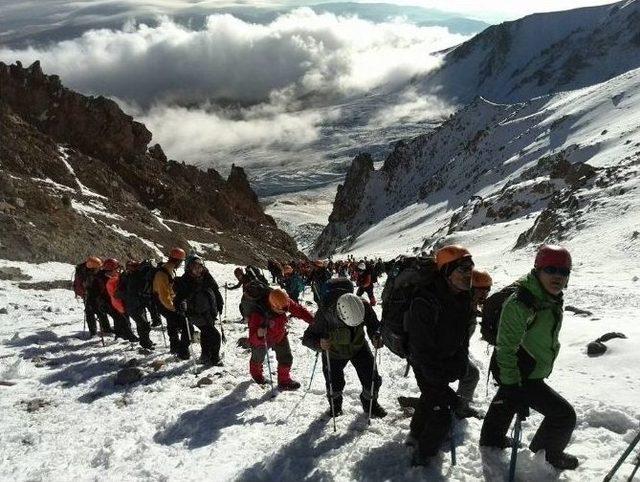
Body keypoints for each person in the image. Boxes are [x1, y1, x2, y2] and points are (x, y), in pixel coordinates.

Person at [480, 245, 578, 471]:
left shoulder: (547, 297)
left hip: (522, 368)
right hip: (519, 371)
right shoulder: (522, 303)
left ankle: (490, 440)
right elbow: (506, 348)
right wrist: (513, 385)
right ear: (538, 270)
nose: (557, 276)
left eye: (563, 272)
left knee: (506, 401)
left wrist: (510, 389)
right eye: (551, 269)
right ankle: (545, 458)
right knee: (563, 416)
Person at [406, 245, 474, 467]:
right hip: (424, 362)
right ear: (446, 272)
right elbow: (421, 347)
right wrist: (439, 383)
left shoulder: (463, 297)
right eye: (462, 269)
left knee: (430, 398)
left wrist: (460, 362)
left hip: (444, 360)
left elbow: (463, 335)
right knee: (442, 411)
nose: (468, 274)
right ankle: (423, 457)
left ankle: (415, 434)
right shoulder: (424, 301)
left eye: (470, 268)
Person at [303, 278, 386, 418]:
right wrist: (319, 344)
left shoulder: (362, 305)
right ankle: (335, 405)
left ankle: (370, 403)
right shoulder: (325, 312)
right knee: (334, 384)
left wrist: (376, 336)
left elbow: (374, 324)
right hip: (334, 353)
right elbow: (307, 338)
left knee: (372, 379)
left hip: (359, 347)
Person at [248, 288, 314, 390]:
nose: (285, 312)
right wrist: (259, 334)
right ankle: (257, 376)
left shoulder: (283, 301)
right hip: (263, 339)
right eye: (282, 310)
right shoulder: (258, 313)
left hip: (280, 334)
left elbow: (299, 310)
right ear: (273, 306)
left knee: (286, 357)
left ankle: (284, 381)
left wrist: (313, 321)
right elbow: (252, 338)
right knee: (258, 359)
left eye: (286, 309)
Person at [455, 268, 493, 419]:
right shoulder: (460, 307)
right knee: (472, 374)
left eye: (487, 289)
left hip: (451, 351)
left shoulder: (469, 305)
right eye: (481, 289)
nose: (484, 293)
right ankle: (460, 407)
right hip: (444, 352)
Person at [175, 256, 225, 366]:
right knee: (215, 336)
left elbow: (215, 290)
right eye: (194, 267)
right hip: (196, 314)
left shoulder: (206, 276)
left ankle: (205, 355)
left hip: (209, 311)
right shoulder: (185, 281)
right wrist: (181, 306)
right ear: (188, 268)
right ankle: (215, 358)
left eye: (200, 267)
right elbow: (178, 299)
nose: (198, 269)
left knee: (206, 334)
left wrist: (220, 304)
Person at [153, 247, 190, 359]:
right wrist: (175, 308)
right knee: (187, 326)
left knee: (172, 323)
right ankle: (183, 351)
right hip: (164, 304)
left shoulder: (169, 269)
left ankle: (174, 346)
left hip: (164, 303)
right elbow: (164, 296)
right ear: (178, 261)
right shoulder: (162, 273)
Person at [93, 258, 138, 342]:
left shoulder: (102, 277)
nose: (118, 270)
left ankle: (120, 334)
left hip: (108, 302)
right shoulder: (104, 279)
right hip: (107, 302)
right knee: (122, 319)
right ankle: (129, 335)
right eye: (116, 268)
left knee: (120, 318)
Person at [118, 260, 155, 350]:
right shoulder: (130, 277)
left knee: (141, 324)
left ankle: (146, 342)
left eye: (134, 266)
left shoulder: (129, 276)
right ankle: (145, 343)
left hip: (136, 305)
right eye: (131, 266)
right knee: (144, 325)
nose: (133, 268)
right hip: (133, 306)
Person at [73, 256, 113, 337]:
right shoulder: (84, 273)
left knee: (94, 311)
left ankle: (97, 331)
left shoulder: (85, 270)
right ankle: (102, 330)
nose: (98, 269)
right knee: (93, 311)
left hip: (91, 294)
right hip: (88, 294)